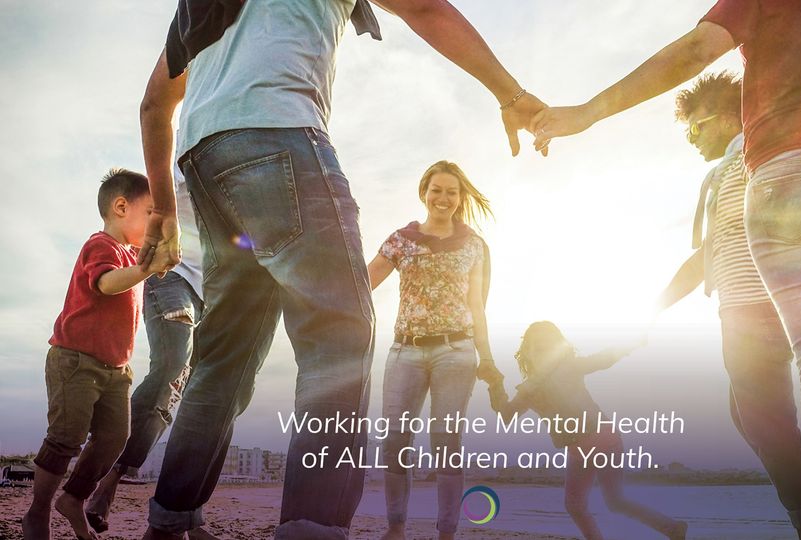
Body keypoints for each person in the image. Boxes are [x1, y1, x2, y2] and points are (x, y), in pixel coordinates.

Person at [529, 2, 801, 538]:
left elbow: (694, 50)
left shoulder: (735, 160)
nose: (691, 141)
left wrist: (586, 113)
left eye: (695, 128)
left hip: (793, 172)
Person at [136, 1, 547, 538]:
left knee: (223, 358)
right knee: (339, 338)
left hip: (205, 162)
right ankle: (313, 527)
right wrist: (511, 95)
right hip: (280, 137)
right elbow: (424, 8)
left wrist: (165, 210)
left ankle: (169, 521)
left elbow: (153, 104)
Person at [653, 72, 801, 539]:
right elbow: (708, 253)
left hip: (758, 309)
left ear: (727, 117)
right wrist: (653, 308)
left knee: (766, 422)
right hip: (746, 311)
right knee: (748, 415)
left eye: (695, 128)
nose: (691, 140)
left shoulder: (751, 158)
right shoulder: (729, 170)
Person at [22, 169, 171, 540]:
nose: (156, 221)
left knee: (114, 438)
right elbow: (106, 283)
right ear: (121, 207)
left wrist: (157, 259)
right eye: (151, 211)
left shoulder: (132, 253)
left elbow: (145, 264)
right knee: (66, 437)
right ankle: (37, 512)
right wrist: (145, 268)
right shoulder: (101, 245)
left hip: (116, 370)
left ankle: (73, 498)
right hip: (75, 360)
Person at [367, 160, 501, 540]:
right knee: (394, 440)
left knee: (446, 444)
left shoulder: (474, 246)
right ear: (424, 192)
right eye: (436, 190)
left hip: (455, 352)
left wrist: (487, 360)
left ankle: (446, 532)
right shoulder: (401, 239)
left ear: (460, 199)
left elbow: (477, 307)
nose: (443, 198)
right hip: (404, 350)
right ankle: (396, 528)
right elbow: (364, 282)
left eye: (451, 192)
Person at [84, 167, 208, 538]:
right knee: (172, 364)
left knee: (203, 392)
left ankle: (187, 512)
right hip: (170, 276)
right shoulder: (187, 165)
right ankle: (108, 475)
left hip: (214, 291)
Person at [488, 322, 686, 540]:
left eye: (548, 347)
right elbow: (506, 415)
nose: (542, 353)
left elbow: (603, 359)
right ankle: (672, 528)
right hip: (577, 450)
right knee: (575, 505)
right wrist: (495, 383)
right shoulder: (528, 389)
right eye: (537, 348)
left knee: (614, 501)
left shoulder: (567, 367)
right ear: (526, 352)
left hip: (603, 439)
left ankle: (673, 529)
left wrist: (631, 343)